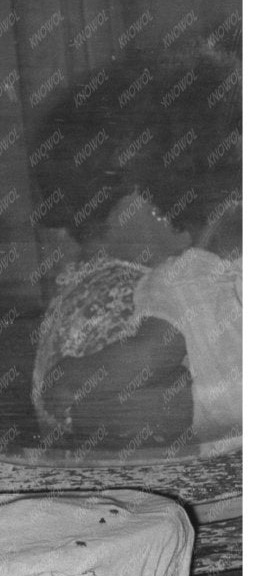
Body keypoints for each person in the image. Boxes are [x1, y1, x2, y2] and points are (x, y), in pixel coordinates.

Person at [30, 49, 241, 449]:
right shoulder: (118, 296)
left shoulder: (107, 286)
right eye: (162, 193)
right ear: (125, 200)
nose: (176, 215)